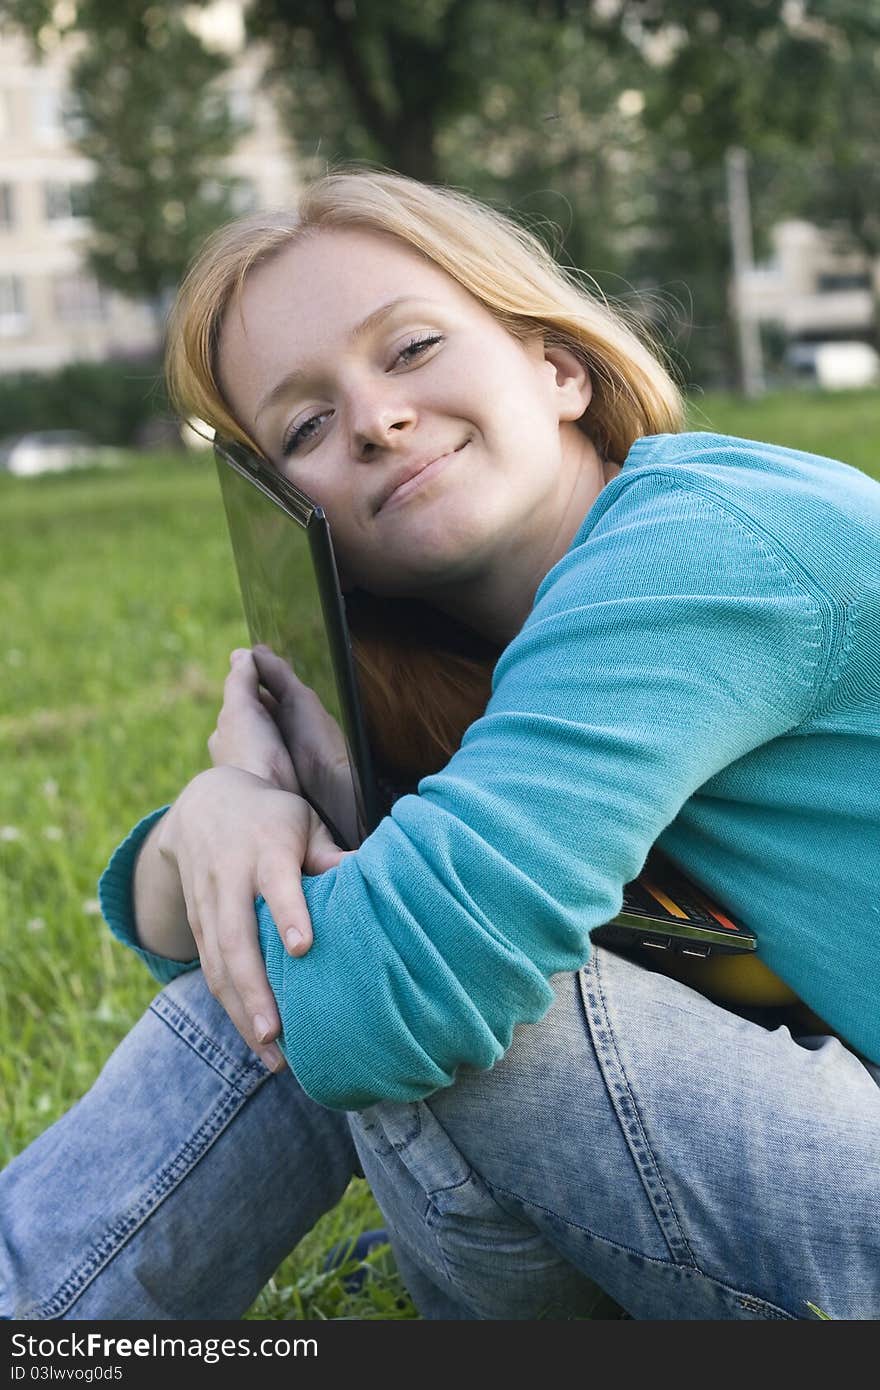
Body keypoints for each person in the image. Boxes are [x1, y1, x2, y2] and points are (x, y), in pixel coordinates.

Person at [2, 168, 879, 1322]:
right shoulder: (485, 664)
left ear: (557, 368)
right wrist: (216, 820)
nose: (375, 419)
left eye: (410, 349)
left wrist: (289, 862)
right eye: (306, 424)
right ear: (312, 527)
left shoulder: (696, 550)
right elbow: (203, 956)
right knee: (338, 924)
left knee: (380, 956)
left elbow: (376, 1001)